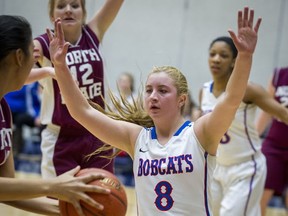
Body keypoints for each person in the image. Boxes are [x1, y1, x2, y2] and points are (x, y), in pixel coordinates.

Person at [48, 7, 261, 215]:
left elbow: (232, 100)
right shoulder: (136, 137)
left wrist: (244, 57)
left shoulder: (200, 133)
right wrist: (60, 66)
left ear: (181, 100)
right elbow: (82, 111)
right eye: (148, 90)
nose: (153, 96)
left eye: (163, 91)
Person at [0, 14, 112, 216]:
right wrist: (52, 186)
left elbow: (7, 189)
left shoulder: (3, 109)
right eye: (32, 53)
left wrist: (75, 210)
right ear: (19, 57)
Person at [198, 34, 288, 215]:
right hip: (216, 168)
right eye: (212, 54)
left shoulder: (248, 89)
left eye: (223, 55)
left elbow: (281, 113)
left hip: (245, 168)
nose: (216, 59)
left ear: (233, 61)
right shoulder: (204, 90)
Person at [33, 0, 124, 178]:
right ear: (52, 15)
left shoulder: (93, 33)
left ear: (83, 13)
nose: (68, 10)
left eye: (75, 5)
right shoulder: (43, 43)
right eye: (61, 6)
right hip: (62, 137)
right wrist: (46, 70)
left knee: (103, 201)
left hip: (99, 133)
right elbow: (15, 73)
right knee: (59, 203)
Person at [255, 66, 288, 216]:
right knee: (260, 195)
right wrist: (252, 138)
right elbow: (266, 110)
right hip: (274, 144)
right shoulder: (279, 74)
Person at [4, 82, 42, 156]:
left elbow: (31, 104)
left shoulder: (31, 85)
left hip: (27, 113)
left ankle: (15, 151)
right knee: (8, 119)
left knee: (19, 119)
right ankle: (10, 150)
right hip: (12, 110)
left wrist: (37, 116)